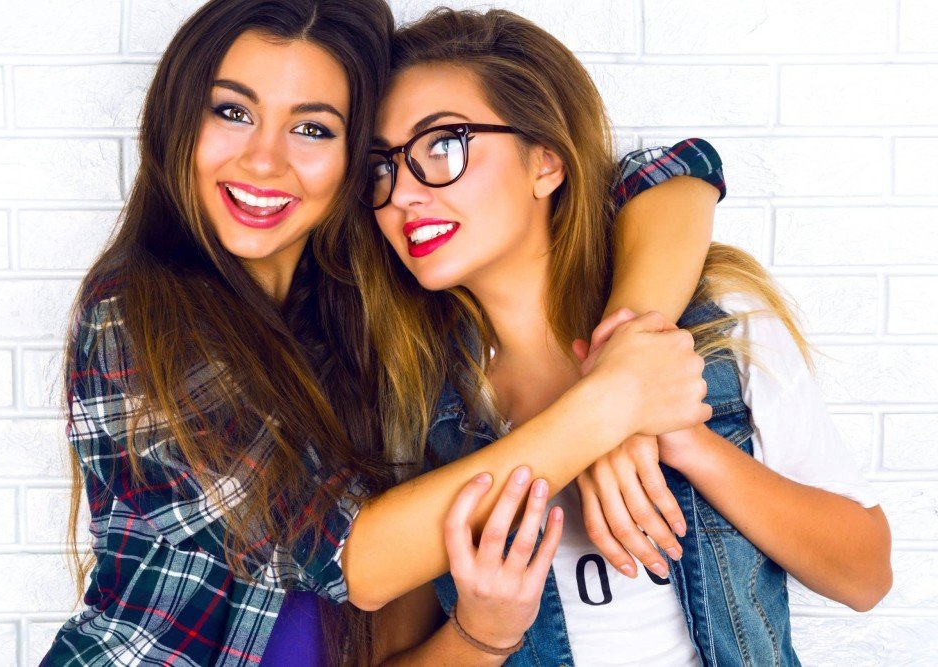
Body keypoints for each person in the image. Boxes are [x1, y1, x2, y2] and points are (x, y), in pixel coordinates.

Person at [42, 0, 725, 664]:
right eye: (233, 112)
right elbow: (353, 559)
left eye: (313, 128)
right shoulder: (134, 316)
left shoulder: (370, 294)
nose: (263, 161)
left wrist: (626, 345)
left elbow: (668, 174)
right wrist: (612, 404)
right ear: (178, 119)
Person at [364, 8, 893, 665]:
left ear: (546, 162)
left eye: (443, 146)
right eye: (381, 168)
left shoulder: (714, 321)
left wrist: (689, 444)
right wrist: (481, 631)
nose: (402, 194)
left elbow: (867, 575)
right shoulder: (411, 401)